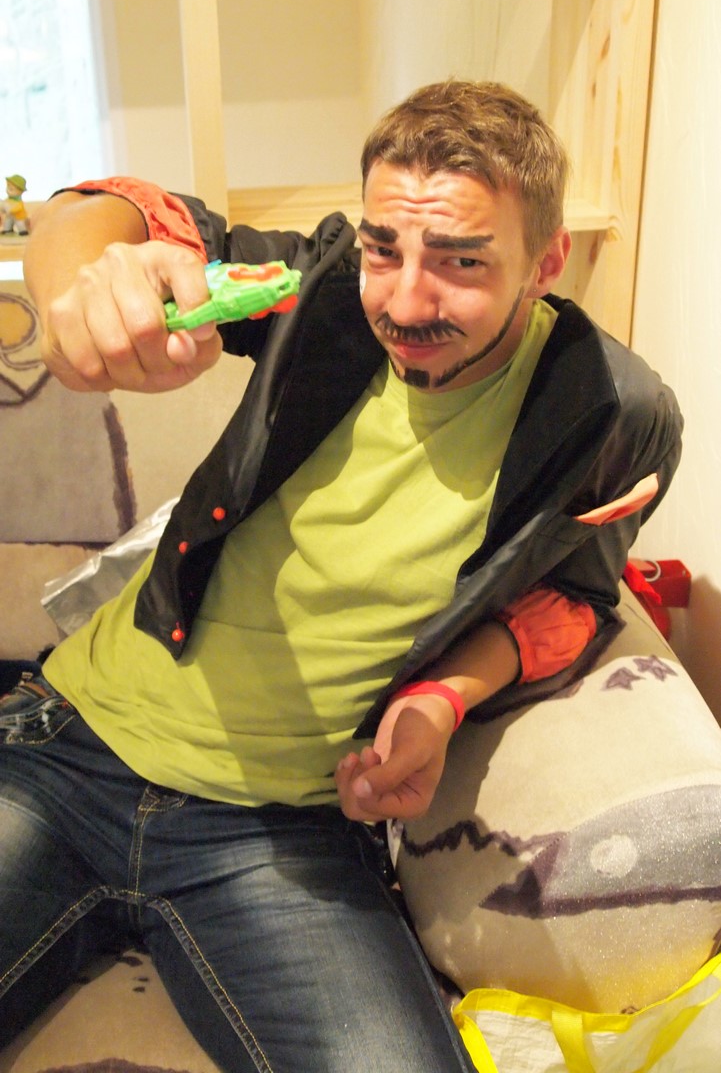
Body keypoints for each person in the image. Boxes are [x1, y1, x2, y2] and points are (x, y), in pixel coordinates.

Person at [0, 80, 682, 1072]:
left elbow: (571, 598)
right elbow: (111, 211)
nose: (403, 301)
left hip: (288, 826)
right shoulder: (319, 289)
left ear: (545, 261)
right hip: (69, 751)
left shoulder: (613, 412)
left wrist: (442, 701)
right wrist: (84, 283)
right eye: (383, 247)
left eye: (460, 260)